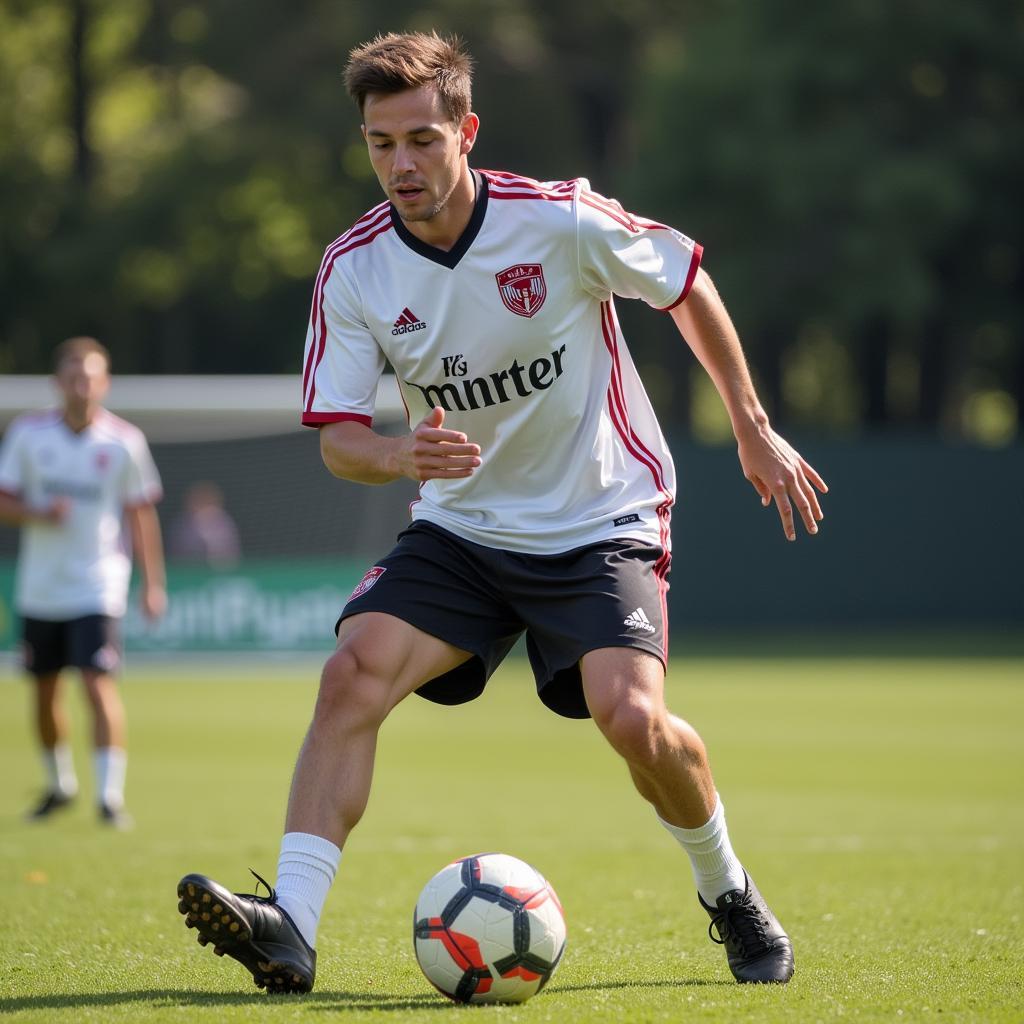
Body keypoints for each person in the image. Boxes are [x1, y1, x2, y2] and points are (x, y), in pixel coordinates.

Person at [176, 31, 827, 992]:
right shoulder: (354, 270)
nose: (400, 163)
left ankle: (727, 889)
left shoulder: (559, 220)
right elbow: (340, 441)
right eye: (379, 143)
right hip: (465, 529)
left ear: (467, 132)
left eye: (421, 140)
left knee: (632, 719)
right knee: (351, 672)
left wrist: (752, 425)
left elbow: (684, 279)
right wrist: (400, 455)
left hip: (601, 515)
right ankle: (292, 928)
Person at [0, 336, 166, 829]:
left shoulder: (123, 441)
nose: (82, 385)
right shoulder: (29, 435)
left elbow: (141, 514)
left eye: (90, 376)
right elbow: (4, 501)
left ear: (105, 382)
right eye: (73, 376)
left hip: (98, 584)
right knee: (45, 691)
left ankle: (109, 797)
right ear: (58, 382)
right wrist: (37, 512)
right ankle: (59, 786)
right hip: (40, 587)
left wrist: (152, 584)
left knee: (97, 684)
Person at [169, 480, 241, 569]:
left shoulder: (224, 522)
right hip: (188, 572)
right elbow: (177, 554)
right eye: (196, 500)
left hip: (220, 572)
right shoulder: (180, 524)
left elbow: (230, 553)